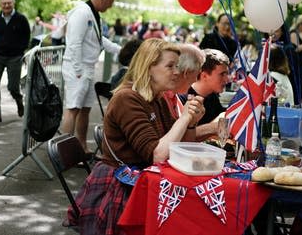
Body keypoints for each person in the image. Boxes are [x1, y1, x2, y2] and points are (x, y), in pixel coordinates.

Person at [68, 39, 206, 234]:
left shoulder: (157, 98)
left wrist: (191, 122)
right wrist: (184, 119)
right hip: (123, 188)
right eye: (170, 66)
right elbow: (158, 156)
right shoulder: (127, 98)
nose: (177, 71)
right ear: (149, 67)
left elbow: (181, 149)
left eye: (177, 65)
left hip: (145, 181)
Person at [61, 0, 121, 153]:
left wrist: (120, 49)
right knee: (73, 109)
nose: (111, 5)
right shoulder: (82, 12)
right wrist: (78, 71)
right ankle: (66, 152)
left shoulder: (94, 13)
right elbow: (74, 43)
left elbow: (99, 39)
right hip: (77, 68)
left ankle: (81, 146)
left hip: (87, 67)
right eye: (110, 2)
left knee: (85, 109)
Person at [0, 0, 31, 123]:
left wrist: (21, 51)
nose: (6, 5)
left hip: (15, 57)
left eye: (9, 3)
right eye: (4, 3)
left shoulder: (21, 19)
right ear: (0, 5)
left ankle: (19, 101)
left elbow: (27, 37)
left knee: (13, 87)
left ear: (13, 4)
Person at [189, 48, 230, 125]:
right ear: (204, 76)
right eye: (222, 74)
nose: (227, 80)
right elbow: (185, 134)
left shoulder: (212, 96)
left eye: (227, 74)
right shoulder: (185, 98)